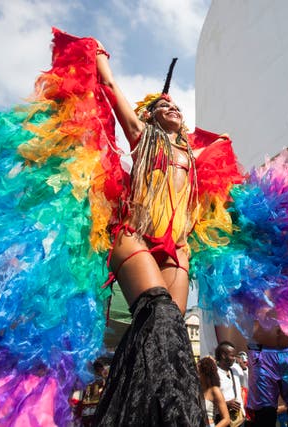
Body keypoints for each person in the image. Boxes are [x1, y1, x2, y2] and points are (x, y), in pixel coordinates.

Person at [92, 41, 212, 425]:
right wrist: (99, 60)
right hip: (137, 237)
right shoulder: (144, 137)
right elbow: (112, 92)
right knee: (158, 311)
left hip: (176, 250)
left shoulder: (194, 160)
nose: (172, 108)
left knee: (169, 340)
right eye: (163, 106)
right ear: (150, 115)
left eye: (176, 105)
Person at [216, 341, 246, 426]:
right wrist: (226, 404)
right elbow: (208, 400)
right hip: (223, 420)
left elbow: (244, 386)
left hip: (239, 419)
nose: (234, 358)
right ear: (223, 355)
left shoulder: (236, 370)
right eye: (232, 355)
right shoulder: (214, 374)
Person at [199, 356, 231, 427]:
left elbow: (226, 419)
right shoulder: (197, 389)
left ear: (205, 373)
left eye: (199, 372)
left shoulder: (215, 390)